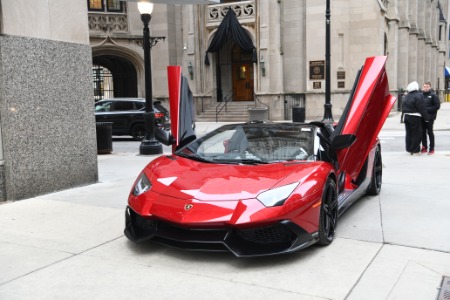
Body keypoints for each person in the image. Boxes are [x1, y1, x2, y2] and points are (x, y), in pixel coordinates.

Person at [402, 81, 429, 155]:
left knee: (408, 133)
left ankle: (409, 148)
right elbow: (422, 108)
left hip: (406, 116)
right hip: (415, 116)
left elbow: (403, 107)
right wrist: (426, 118)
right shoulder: (419, 96)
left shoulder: (406, 96)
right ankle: (415, 149)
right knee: (416, 133)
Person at [420, 81, 440, 155]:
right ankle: (424, 147)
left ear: (430, 87)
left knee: (430, 132)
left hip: (430, 117)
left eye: (427, 86)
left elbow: (437, 106)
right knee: (422, 133)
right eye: (424, 86)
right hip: (422, 117)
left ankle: (431, 149)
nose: (425, 88)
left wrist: (426, 109)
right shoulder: (420, 95)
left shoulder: (433, 95)